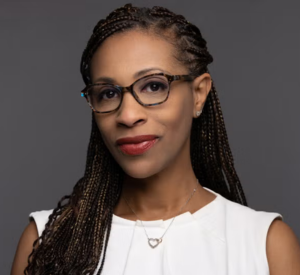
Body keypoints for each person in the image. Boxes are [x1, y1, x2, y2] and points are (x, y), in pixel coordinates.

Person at [11, 3, 300, 275]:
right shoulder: (47, 243)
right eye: (108, 93)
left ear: (199, 93)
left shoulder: (266, 246)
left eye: (152, 86)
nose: (127, 115)